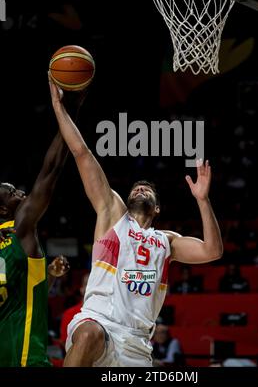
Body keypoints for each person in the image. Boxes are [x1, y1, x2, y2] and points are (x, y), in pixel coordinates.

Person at [49, 81, 223, 367]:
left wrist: (203, 200)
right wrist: (59, 107)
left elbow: (212, 251)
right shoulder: (112, 213)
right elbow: (82, 153)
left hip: (137, 343)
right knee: (89, 334)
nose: (139, 189)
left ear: (156, 208)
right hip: (99, 323)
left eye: (147, 189)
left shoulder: (167, 241)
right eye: (135, 188)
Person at [0, 90, 84, 367]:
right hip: (25, 357)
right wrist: (69, 106)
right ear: (3, 211)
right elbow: (50, 169)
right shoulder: (19, 228)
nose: (21, 192)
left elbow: (17, 297)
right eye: (12, 193)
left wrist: (45, 277)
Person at [60, 272, 89, 346]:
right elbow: (65, 343)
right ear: (81, 289)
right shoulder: (69, 313)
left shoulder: (108, 313)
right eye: (88, 284)